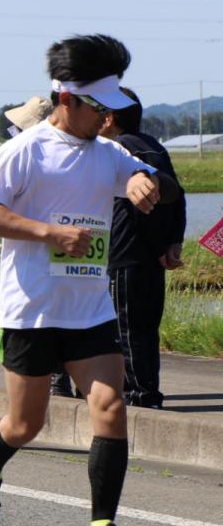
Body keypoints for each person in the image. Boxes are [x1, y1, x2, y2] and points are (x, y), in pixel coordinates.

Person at [0, 34, 179, 526]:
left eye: (112, 108)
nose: (106, 117)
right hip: (32, 308)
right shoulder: (26, 150)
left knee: (110, 405)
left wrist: (139, 182)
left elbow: (152, 178)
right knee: (25, 425)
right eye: (97, 106)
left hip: (90, 310)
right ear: (67, 99)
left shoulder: (109, 152)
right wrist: (48, 232)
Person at [100, 88, 186, 409]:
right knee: (145, 327)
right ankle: (146, 393)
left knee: (126, 328)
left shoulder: (117, 150)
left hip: (125, 252)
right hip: (152, 254)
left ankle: (140, 397)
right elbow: (177, 195)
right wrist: (172, 241)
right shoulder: (154, 146)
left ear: (109, 118)